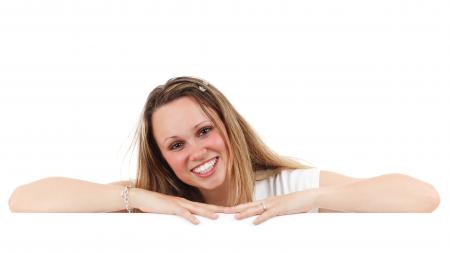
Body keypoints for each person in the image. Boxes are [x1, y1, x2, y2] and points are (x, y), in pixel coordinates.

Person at [8, 76, 441, 225]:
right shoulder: (159, 200)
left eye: (204, 131)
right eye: (176, 145)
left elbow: (423, 197)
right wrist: (137, 198)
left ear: (228, 129)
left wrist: (311, 198)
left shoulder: (288, 186)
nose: (196, 151)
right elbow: (23, 201)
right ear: (163, 159)